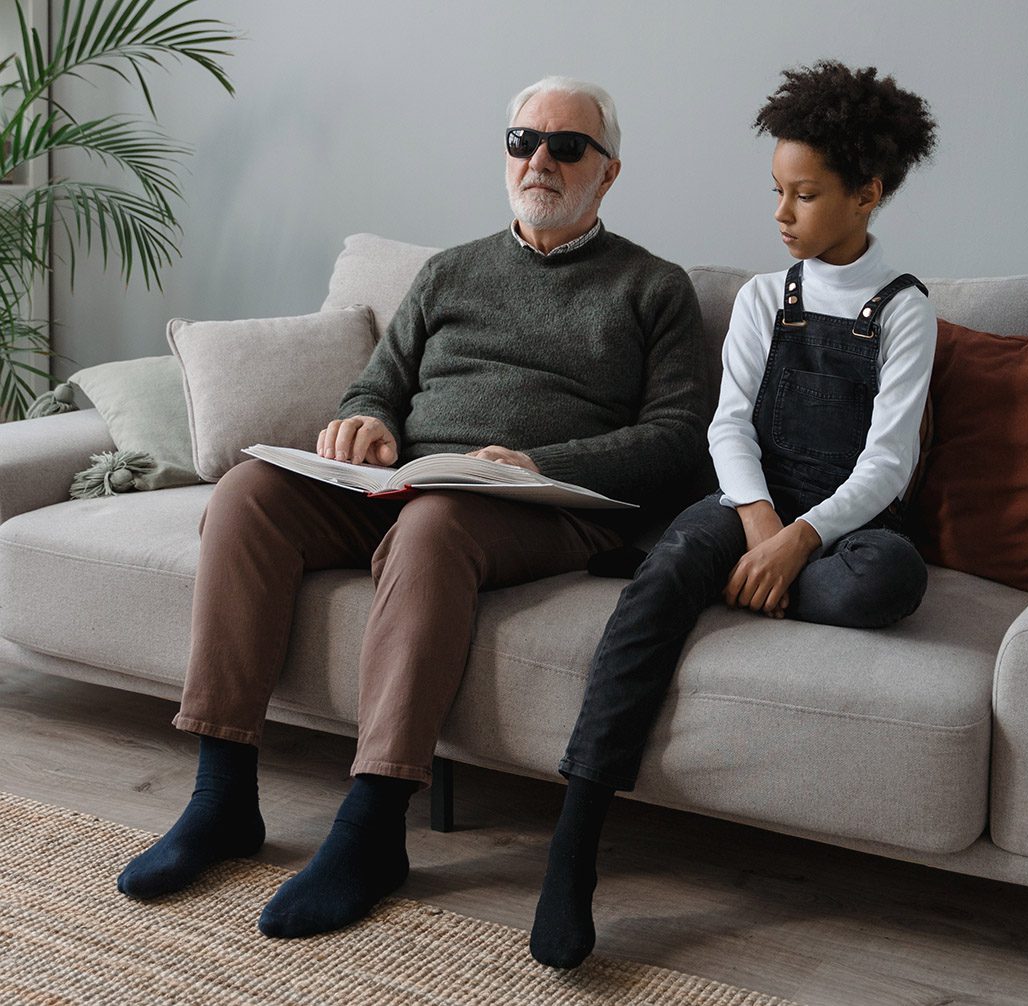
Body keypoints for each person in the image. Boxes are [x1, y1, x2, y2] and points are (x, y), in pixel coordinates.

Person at [116, 75, 709, 939]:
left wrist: (531, 459)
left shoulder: (653, 288)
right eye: (522, 142)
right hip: (415, 481)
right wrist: (364, 423)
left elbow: (677, 439)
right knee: (248, 493)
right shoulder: (449, 271)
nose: (539, 160)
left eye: (566, 147)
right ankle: (222, 798)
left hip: (540, 502)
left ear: (608, 172)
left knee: (434, 525)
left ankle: (373, 826)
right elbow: (377, 386)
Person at [529, 60, 939, 969]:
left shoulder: (905, 310)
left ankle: (737, 579)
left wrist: (799, 542)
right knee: (673, 567)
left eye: (805, 195)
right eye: (776, 193)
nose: (782, 215)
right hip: (748, 500)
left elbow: (889, 463)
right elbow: (727, 424)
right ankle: (574, 844)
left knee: (894, 578)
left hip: (842, 523)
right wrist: (758, 526)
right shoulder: (763, 297)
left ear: (867, 196)